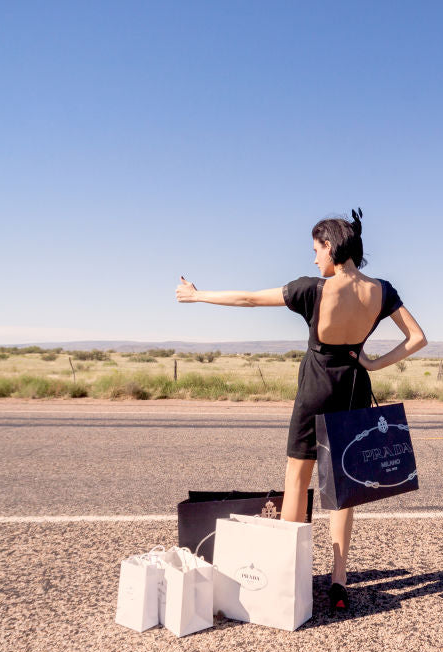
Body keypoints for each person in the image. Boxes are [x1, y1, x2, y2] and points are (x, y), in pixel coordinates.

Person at [175, 210, 427, 611]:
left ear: (330, 247)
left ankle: (289, 577)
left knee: (297, 480)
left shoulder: (314, 289)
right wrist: (375, 364)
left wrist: (196, 295)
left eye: (315, 250)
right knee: (344, 488)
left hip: (316, 388)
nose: (313, 260)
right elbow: (417, 338)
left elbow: (249, 299)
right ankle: (339, 580)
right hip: (354, 389)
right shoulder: (382, 289)